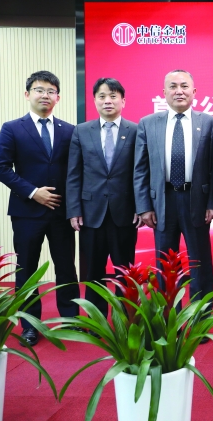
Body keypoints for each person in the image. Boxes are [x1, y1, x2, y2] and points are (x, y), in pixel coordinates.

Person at [0, 70, 79, 346]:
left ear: (58, 97)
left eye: (51, 91)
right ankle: (29, 326)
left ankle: (71, 320)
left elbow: (75, 171)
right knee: (26, 268)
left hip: (61, 212)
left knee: (66, 267)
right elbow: (0, 168)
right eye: (39, 90)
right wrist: (33, 192)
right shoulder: (12, 128)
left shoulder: (70, 131)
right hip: (26, 212)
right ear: (27, 94)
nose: (45, 95)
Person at [133, 70, 213, 307]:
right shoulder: (148, 123)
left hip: (196, 200)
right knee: (165, 264)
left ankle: (200, 314)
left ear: (194, 91)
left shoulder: (209, 123)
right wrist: (144, 207)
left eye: (184, 86)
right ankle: (169, 316)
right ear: (164, 92)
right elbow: (140, 169)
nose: (179, 91)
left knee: (199, 261)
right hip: (162, 201)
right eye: (173, 86)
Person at [66, 78, 141, 318]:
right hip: (91, 213)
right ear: (95, 100)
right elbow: (74, 174)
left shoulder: (136, 130)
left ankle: (125, 319)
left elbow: (141, 172)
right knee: (93, 272)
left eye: (113, 96)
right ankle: (96, 319)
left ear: (123, 101)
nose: (107, 101)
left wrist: (141, 207)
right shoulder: (81, 131)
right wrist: (74, 210)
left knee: (125, 271)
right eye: (102, 96)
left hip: (125, 212)